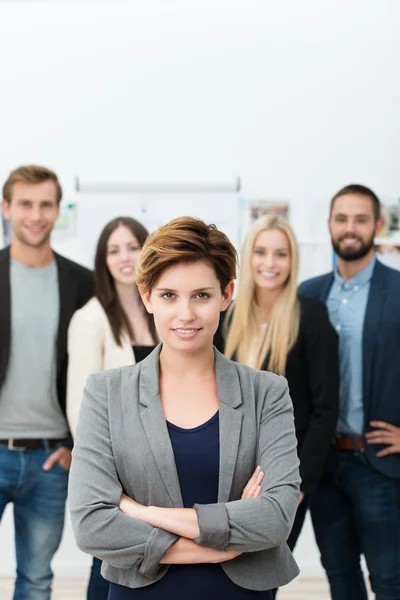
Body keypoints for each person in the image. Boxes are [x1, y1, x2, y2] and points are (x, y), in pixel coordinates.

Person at [68, 216, 301, 599]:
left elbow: (275, 518)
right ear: (147, 296)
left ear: (226, 295)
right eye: (168, 295)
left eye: (202, 295)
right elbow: (92, 525)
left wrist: (146, 514)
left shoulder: (267, 392)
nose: (186, 314)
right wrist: (219, 545)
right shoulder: (106, 393)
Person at [222, 215, 339, 596]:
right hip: (232, 467)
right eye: (260, 252)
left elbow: (324, 409)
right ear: (247, 256)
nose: (269, 263)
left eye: (280, 254)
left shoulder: (311, 316)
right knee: (223, 571)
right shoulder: (227, 315)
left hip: (286, 471)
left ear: (292, 260)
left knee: (261, 575)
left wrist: (298, 482)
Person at [299, 184, 400, 600]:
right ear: (329, 225)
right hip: (323, 465)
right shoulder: (308, 293)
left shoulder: (397, 292)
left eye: (361, 219)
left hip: (378, 464)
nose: (350, 228)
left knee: (390, 581)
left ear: (378, 225)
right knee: (340, 578)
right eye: (342, 219)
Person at [0, 165, 93, 600]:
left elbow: (97, 372)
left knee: (36, 581)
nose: (35, 215)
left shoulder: (83, 283)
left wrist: (77, 444)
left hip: (51, 460)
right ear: (6, 208)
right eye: (25, 204)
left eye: (45, 204)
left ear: (58, 210)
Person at [67, 216, 158, 600]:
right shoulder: (90, 319)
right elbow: (79, 406)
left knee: (154, 557)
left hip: (161, 460)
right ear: (102, 260)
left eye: (133, 247)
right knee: (107, 561)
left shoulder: (163, 310)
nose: (125, 258)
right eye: (114, 250)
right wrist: (105, 469)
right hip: (117, 466)